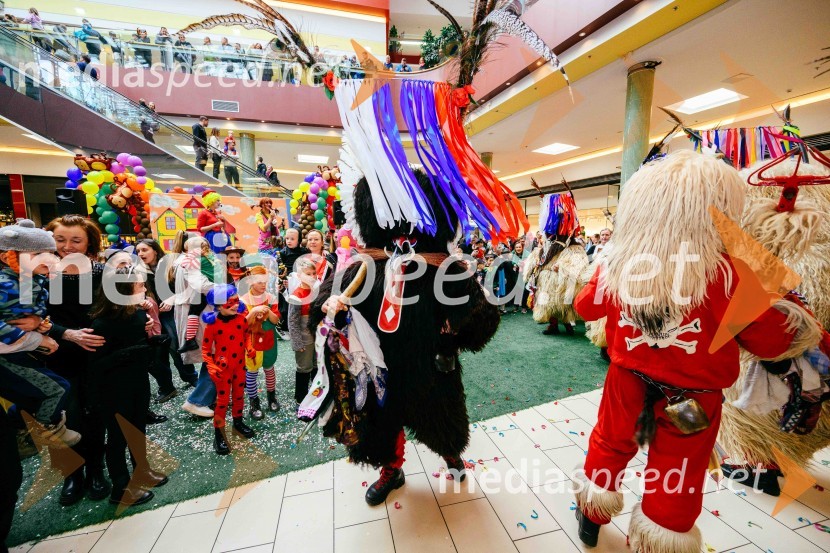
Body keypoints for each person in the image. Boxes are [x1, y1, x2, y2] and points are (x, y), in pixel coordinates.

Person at [571, 150, 820, 552]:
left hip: (627, 382)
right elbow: (770, 341)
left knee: (609, 443)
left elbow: (585, 306)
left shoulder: (619, 264)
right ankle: (658, 542)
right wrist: (789, 306)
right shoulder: (731, 273)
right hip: (693, 397)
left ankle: (591, 517)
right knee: (678, 470)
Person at [43, 215, 109, 506]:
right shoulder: (37, 273)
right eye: (60, 239)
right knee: (63, 418)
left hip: (95, 354)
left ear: (89, 243)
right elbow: (27, 320)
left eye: (76, 240)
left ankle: (97, 470)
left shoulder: (101, 272)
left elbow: (114, 310)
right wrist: (66, 333)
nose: (67, 246)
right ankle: (73, 474)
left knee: (94, 415)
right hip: (55, 357)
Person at [88, 266, 167, 507]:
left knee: (138, 427)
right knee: (118, 436)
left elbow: (140, 345)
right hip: (113, 388)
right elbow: (94, 364)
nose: (144, 289)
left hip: (137, 380)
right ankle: (120, 487)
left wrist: (154, 342)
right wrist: (127, 353)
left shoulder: (137, 315)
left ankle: (141, 470)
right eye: (140, 285)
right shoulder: (100, 323)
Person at [0, 220, 79, 447]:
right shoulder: (6, 284)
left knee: (33, 395)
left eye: (49, 252)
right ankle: (48, 427)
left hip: (22, 351)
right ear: (8, 257)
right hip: (7, 354)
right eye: (37, 253)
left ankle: (20, 427)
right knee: (56, 388)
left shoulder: (31, 279)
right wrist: (33, 338)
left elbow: (31, 311)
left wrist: (40, 324)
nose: (48, 258)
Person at [201, 284, 256, 454]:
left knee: (239, 396)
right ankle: (219, 434)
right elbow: (205, 349)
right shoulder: (213, 325)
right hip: (222, 369)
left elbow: (246, 335)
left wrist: (249, 347)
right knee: (223, 402)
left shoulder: (241, 319)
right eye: (228, 303)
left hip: (240, 366)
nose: (234, 305)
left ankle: (238, 423)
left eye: (235, 301)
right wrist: (210, 366)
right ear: (217, 306)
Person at [171, 234, 216, 418]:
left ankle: (209, 396)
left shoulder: (183, 261)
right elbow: (201, 284)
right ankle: (197, 400)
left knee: (211, 355)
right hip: (200, 313)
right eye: (204, 246)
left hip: (192, 309)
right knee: (214, 355)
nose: (207, 249)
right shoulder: (191, 261)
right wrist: (225, 289)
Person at [240, 265, 280, 417]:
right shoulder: (242, 300)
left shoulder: (271, 298)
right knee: (252, 372)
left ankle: (271, 397)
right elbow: (243, 324)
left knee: (269, 368)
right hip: (252, 342)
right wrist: (254, 312)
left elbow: (275, 321)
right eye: (259, 282)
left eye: (265, 281)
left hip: (269, 340)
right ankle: (254, 402)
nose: (263, 285)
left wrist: (267, 310)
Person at [177, 233, 221, 353]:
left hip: (204, 291)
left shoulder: (198, 259)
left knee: (193, 312)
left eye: (188, 250)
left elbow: (185, 265)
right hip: (214, 289)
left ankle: (190, 340)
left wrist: (190, 256)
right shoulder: (212, 257)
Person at [288, 258, 316, 403]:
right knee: (304, 367)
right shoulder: (296, 295)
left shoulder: (316, 291)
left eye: (313, 273)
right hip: (304, 338)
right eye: (307, 274)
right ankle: (301, 398)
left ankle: (315, 395)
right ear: (299, 276)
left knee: (316, 365)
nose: (312, 277)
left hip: (317, 336)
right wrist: (297, 343)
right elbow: (292, 321)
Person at [511, 239, 530, 313]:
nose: (518, 249)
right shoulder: (513, 254)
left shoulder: (527, 254)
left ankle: (524, 306)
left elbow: (530, 264)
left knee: (525, 290)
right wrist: (515, 264)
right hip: (516, 274)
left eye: (519, 247)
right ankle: (516, 306)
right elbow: (512, 262)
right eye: (517, 247)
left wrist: (524, 265)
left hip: (525, 274)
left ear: (522, 248)